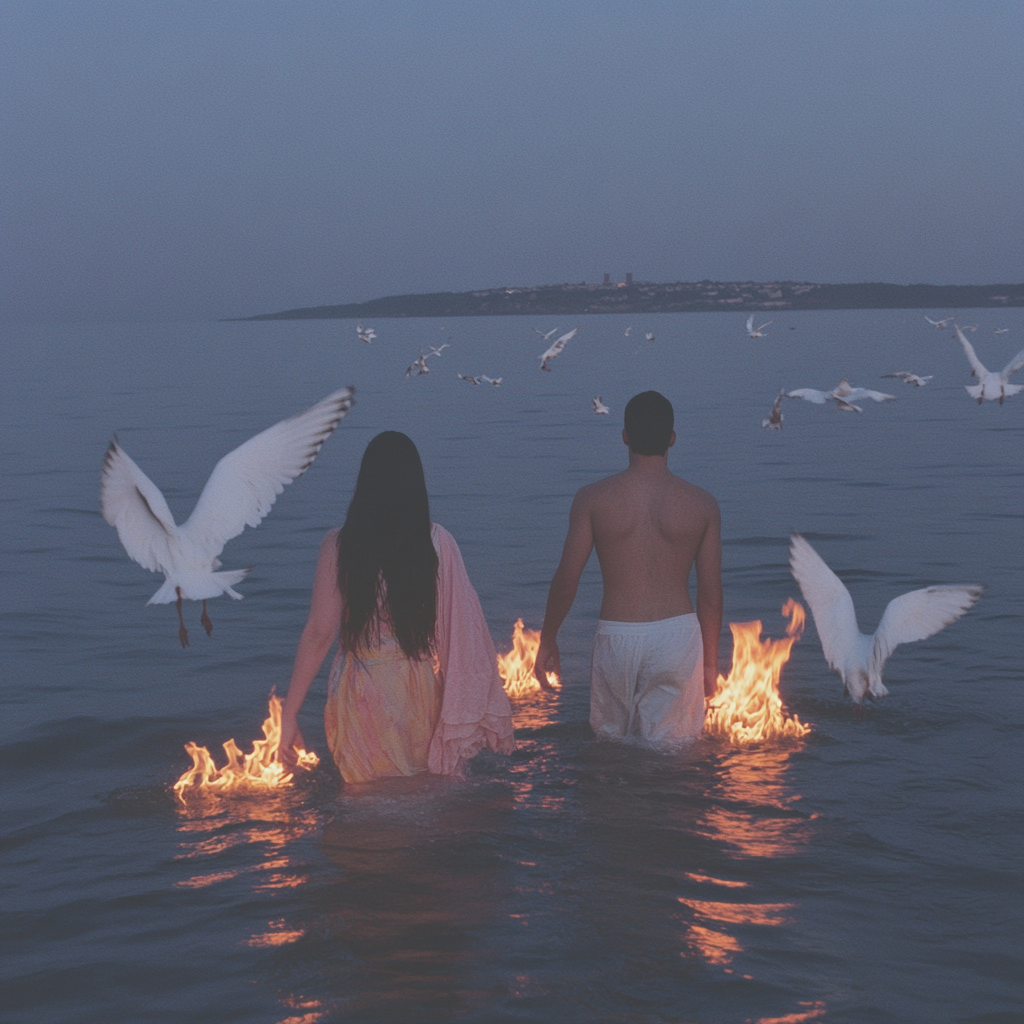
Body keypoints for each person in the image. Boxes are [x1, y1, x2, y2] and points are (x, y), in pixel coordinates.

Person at [280, 431, 514, 781]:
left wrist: (289, 713)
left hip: (361, 687)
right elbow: (464, 628)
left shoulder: (339, 545)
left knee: (366, 800)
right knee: (419, 795)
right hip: (417, 687)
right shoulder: (437, 543)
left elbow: (319, 633)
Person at [532, 391, 722, 745]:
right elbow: (710, 595)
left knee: (609, 753)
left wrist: (548, 638)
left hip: (616, 635)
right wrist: (710, 664)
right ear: (673, 439)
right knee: (674, 755)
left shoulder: (592, 499)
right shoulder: (702, 504)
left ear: (624, 436)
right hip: (676, 638)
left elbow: (566, 580)